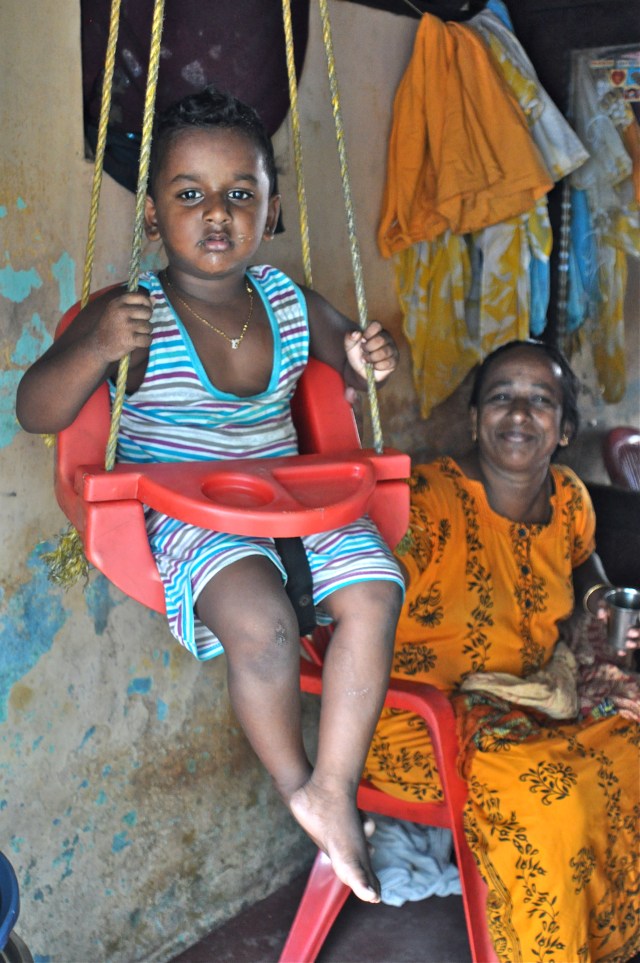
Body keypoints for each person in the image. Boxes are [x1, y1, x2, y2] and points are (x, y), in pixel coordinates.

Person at [15, 86, 405, 903]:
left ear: (271, 208)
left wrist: (373, 352)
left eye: (241, 193)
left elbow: (353, 350)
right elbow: (37, 409)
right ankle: (299, 781)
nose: (217, 213)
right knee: (262, 627)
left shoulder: (291, 303)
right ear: (154, 216)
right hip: (192, 517)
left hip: (290, 497)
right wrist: (93, 345)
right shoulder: (133, 313)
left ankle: (336, 781)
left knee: (375, 586)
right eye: (189, 194)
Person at [363, 340, 640, 962]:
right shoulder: (424, 503)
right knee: (556, 798)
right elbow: (350, 606)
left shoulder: (569, 496)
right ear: (473, 418)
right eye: (501, 398)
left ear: (565, 428)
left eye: (541, 401)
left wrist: (596, 599)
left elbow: (582, 557)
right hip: (423, 726)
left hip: (531, 700)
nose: (519, 414)